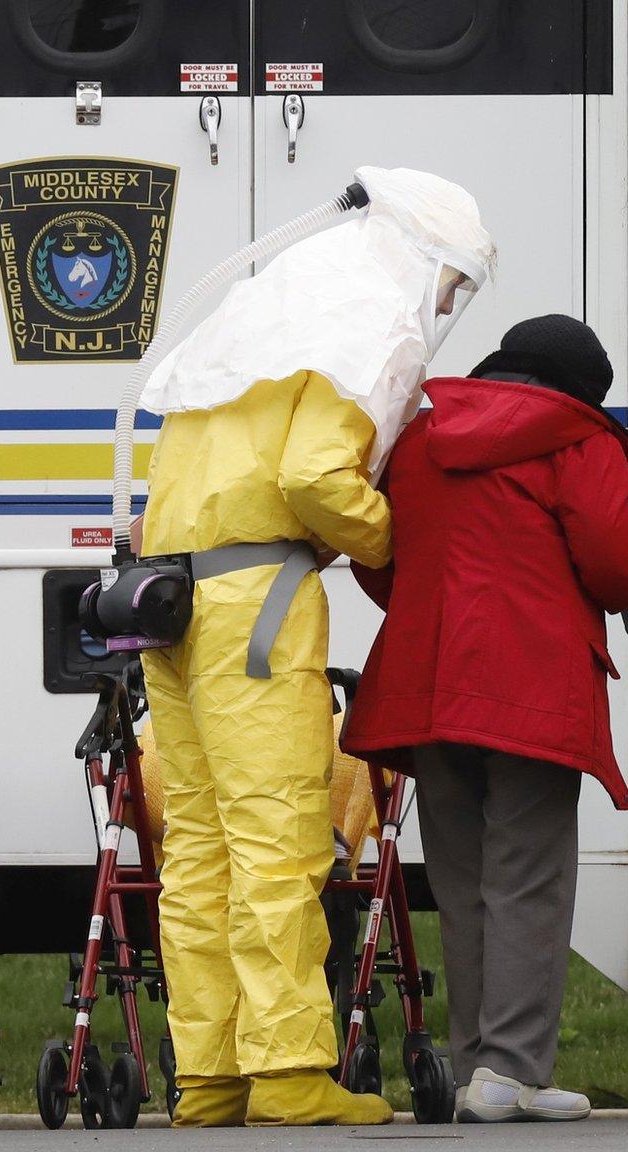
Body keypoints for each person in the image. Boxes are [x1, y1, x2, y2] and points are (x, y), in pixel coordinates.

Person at [135, 167, 495, 1128]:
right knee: (279, 840)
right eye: (453, 285)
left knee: (198, 849)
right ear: (420, 260)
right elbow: (314, 480)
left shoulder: (265, 313)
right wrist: (391, 541)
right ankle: (292, 1069)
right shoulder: (367, 326)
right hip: (259, 608)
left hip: (171, 605)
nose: (448, 306)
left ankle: (210, 1075)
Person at [342, 315, 628, 1123]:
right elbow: (616, 566)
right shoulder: (578, 440)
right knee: (529, 873)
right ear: (580, 391)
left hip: (427, 682)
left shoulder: (418, 439)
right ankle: (510, 1070)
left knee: (465, 877)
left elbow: (381, 559)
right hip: (531, 685)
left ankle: (478, 1064)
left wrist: (427, 612)